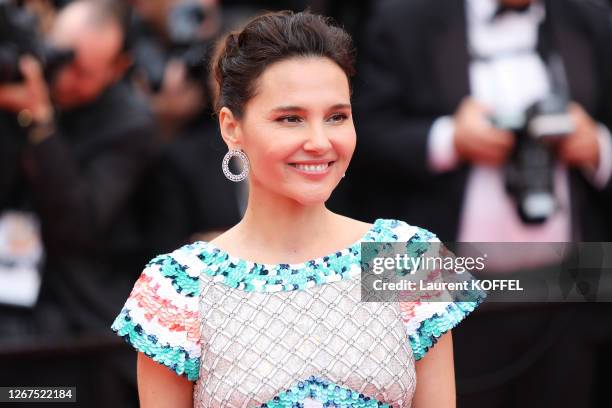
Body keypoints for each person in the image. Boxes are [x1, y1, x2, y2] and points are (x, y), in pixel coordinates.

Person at [111, 10, 486, 407]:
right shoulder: (178, 287)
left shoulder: (406, 258)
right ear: (231, 127)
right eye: (291, 119)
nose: (320, 142)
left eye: (337, 117)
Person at [349, 0, 612, 406]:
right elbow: (357, 133)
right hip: (436, 293)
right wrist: (448, 139)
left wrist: (596, 147)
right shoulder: (402, 17)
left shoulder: (590, 16)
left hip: (572, 297)